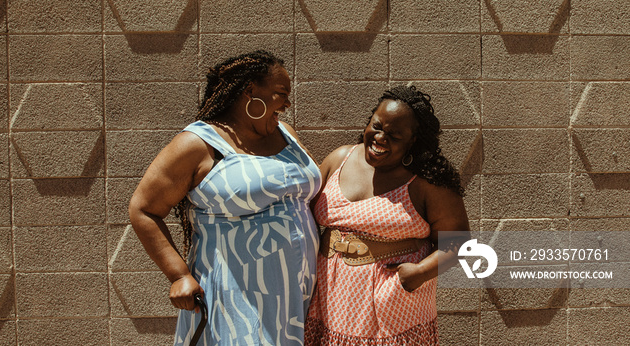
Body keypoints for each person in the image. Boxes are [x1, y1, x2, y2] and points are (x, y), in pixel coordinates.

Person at [129, 50, 321, 345]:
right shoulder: (199, 144)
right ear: (250, 92)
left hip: (297, 293)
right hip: (236, 297)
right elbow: (143, 209)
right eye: (281, 93)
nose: (287, 103)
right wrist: (178, 275)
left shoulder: (286, 133)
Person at [304, 85, 470, 345]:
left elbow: (459, 243)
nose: (381, 138)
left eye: (394, 135)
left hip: (391, 304)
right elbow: (303, 210)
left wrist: (418, 274)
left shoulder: (426, 182)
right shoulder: (339, 158)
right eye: (377, 126)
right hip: (331, 298)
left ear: (413, 140)